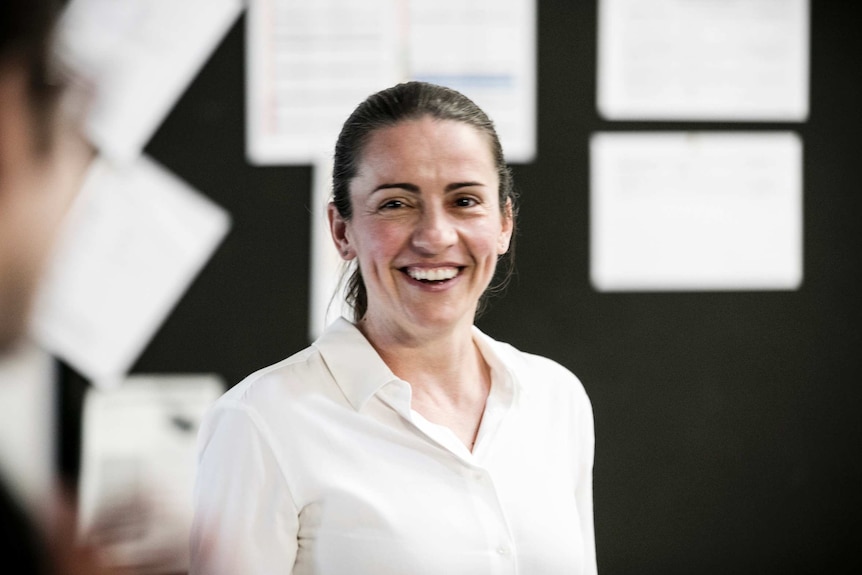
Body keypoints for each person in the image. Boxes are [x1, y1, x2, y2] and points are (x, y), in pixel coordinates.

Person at [190, 81, 597, 574]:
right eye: (395, 204)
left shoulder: (555, 398)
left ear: (505, 222)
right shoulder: (260, 422)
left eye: (465, 201)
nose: (435, 236)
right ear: (342, 231)